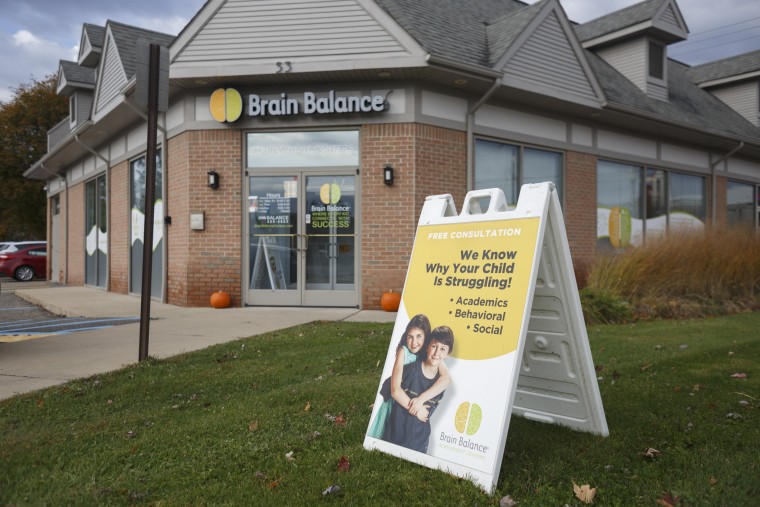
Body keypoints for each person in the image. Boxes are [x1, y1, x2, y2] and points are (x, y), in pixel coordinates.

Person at [383, 326, 455, 453]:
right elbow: (390, 388)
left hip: (419, 442)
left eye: (443, 349)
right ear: (427, 347)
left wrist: (420, 401)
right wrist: (417, 408)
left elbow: (429, 413)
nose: (437, 353)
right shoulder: (410, 370)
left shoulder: (441, 383)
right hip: (396, 435)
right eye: (434, 346)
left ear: (447, 354)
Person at [367, 314, 431, 439]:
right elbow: (395, 390)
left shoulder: (426, 355)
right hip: (396, 402)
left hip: (410, 402)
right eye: (410, 337)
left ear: (426, 337)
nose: (414, 342)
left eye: (419, 336)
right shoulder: (404, 352)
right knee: (383, 436)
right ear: (405, 337)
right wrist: (417, 409)